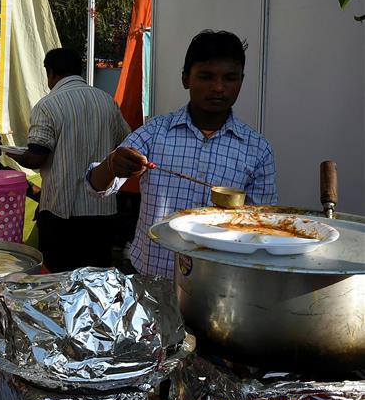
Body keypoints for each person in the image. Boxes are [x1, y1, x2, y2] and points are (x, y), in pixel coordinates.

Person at [86, 30, 277, 277]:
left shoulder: (258, 149)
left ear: (241, 80)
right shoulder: (155, 132)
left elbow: (262, 226)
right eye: (206, 77)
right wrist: (112, 164)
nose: (218, 88)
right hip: (150, 277)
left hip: (218, 283)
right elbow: (94, 187)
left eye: (230, 78)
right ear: (186, 79)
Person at [9, 48, 131, 272]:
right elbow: (126, 143)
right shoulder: (106, 101)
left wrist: (15, 154)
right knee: (96, 280)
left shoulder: (48, 105)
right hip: (102, 211)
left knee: (59, 280)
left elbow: (37, 156)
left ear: (51, 73)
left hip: (61, 211)